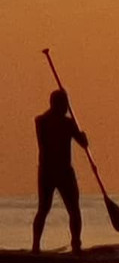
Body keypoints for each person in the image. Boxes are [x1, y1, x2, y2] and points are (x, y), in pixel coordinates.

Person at [32, 89, 87, 253]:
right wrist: (81, 134)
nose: (66, 108)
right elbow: (83, 142)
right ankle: (38, 246)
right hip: (56, 172)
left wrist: (81, 135)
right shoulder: (62, 123)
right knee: (55, 209)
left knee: (65, 209)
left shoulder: (42, 121)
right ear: (57, 104)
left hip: (51, 171)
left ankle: (74, 244)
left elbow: (83, 143)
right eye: (65, 104)